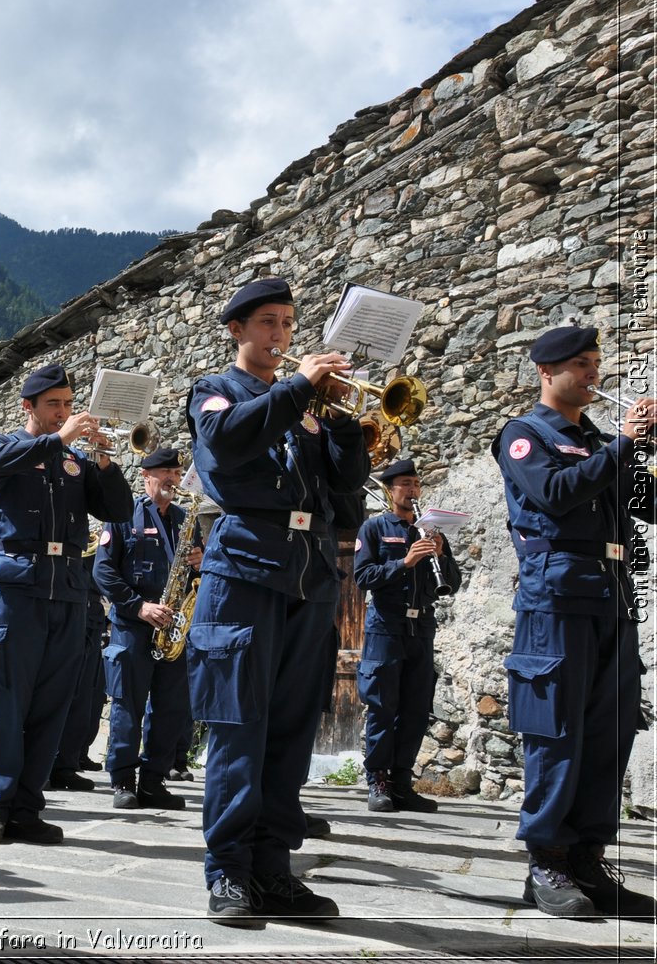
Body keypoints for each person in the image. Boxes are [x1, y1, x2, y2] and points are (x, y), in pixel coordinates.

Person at [185, 277, 368, 925]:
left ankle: (271, 870)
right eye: (267, 322)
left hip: (308, 577)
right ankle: (229, 873)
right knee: (240, 728)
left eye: (289, 323)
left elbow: (346, 488)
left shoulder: (308, 406)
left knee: (290, 733)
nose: (281, 335)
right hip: (245, 571)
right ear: (236, 329)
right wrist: (297, 391)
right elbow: (230, 443)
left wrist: (346, 425)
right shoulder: (214, 391)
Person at [492, 324, 655, 918]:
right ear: (547, 373)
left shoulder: (605, 443)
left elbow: (649, 507)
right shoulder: (524, 435)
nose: (593, 376)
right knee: (557, 733)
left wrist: (648, 448)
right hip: (556, 600)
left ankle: (588, 858)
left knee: (609, 735)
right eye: (581, 366)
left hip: (611, 598)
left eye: (595, 364)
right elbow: (554, 494)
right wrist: (623, 448)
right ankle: (546, 864)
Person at [0, 363, 132, 846]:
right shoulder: (2, 446)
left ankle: (26, 806)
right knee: (8, 704)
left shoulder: (75, 461)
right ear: (29, 408)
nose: (63, 411)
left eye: (67, 403)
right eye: (52, 405)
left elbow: (119, 511)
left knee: (50, 706)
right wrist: (61, 437)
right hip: (16, 591)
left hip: (68, 593)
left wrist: (103, 461)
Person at [93, 445, 201, 811]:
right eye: (163, 473)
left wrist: (202, 563)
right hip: (133, 626)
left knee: (171, 708)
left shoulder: (186, 519)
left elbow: (196, 573)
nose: (172, 478)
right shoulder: (122, 516)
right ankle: (123, 779)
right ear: (146, 477)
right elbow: (103, 570)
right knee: (128, 705)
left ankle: (154, 781)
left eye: (175, 472)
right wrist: (139, 607)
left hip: (173, 628)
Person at [352, 458, 461, 814]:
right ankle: (378, 780)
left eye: (416, 483)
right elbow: (363, 576)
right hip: (386, 625)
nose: (412, 490)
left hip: (421, 627)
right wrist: (404, 562)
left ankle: (401, 781)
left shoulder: (431, 531)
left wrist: (441, 556)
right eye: (405, 484)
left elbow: (453, 584)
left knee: (415, 709)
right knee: (383, 707)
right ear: (390, 489)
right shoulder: (375, 528)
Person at [48, 541, 108, 792]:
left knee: (84, 696)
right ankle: (43, 765)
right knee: (54, 691)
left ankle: (66, 764)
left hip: (90, 617)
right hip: (60, 608)